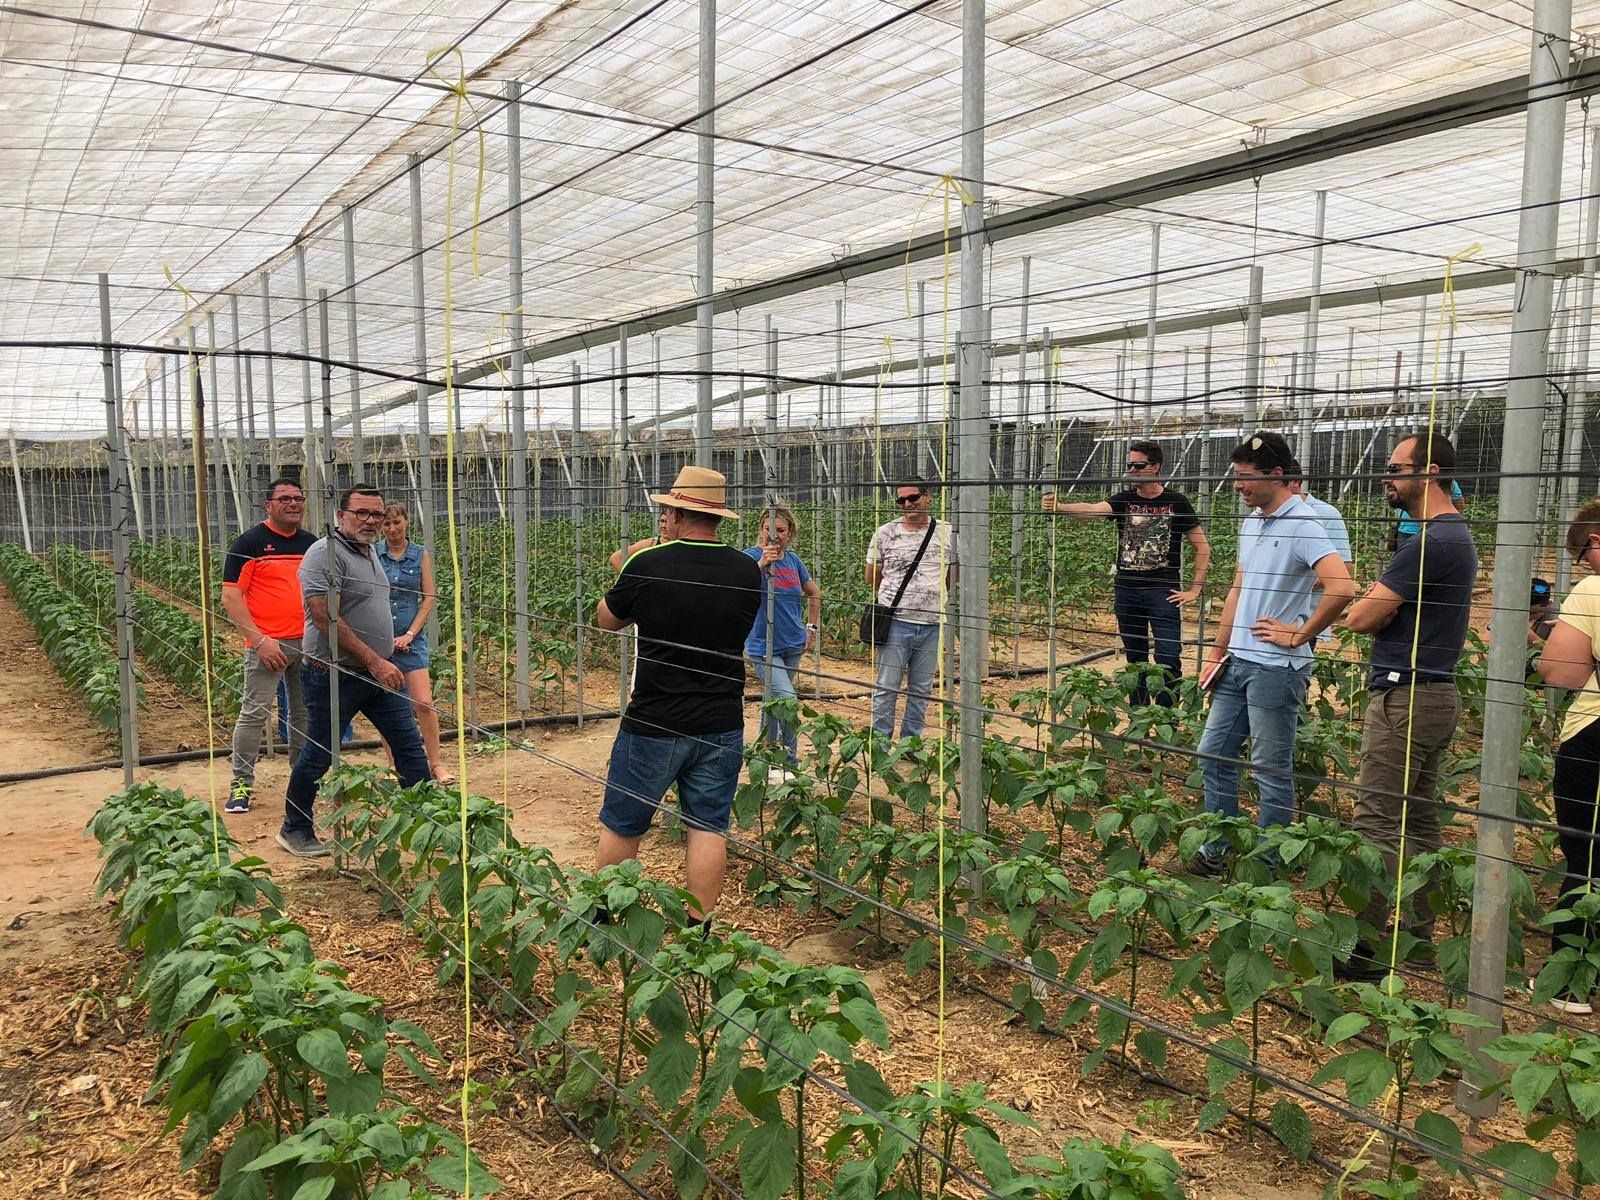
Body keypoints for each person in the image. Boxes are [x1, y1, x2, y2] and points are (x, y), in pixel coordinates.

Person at [1339, 432, 1478, 981]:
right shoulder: (1452, 534)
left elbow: (1359, 617)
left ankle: (1364, 949)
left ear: (1429, 472)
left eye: (1396, 468)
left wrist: (1378, 604)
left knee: (1375, 821)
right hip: (1433, 693)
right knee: (1418, 820)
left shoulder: (1431, 543)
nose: (1387, 477)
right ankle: (1419, 939)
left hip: (1407, 695)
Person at [594, 466, 761, 920]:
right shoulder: (747, 571)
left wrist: (641, 564)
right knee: (708, 827)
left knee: (624, 821)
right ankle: (697, 929)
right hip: (722, 721)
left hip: (655, 719)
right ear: (718, 516)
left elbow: (606, 620)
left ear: (678, 513)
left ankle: (605, 917)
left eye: (668, 510)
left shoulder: (649, 564)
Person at [1191, 433, 1356, 875]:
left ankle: (1268, 861)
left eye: (1246, 477)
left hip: (1276, 669)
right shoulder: (1252, 523)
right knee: (1213, 753)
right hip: (1237, 662)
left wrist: (1300, 634)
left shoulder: (1304, 525)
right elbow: (1238, 589)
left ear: (1277, 475)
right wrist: (1218, 650)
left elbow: (1343, 587)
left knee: (1270, 767)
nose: (1238, 486)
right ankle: (1218, 848)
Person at [279, 485, 433, 858]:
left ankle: (430, 824)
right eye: (361, 513)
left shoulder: (369, 552)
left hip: (377, 674)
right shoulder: (325, 554)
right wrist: (375, 661)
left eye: (376, 514)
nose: (370, 521)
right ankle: (294, 828)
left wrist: (381, 661)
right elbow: (326, 618)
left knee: (409, 747)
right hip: (335, 673)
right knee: (320, 753)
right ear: (341, 515)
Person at [1043, 439, 1209, 706]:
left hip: (1163, 591)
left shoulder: (1176, 502)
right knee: (1135, 658)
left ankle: (1167, 717)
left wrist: (1194, 590)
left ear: (1155, 467)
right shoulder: (1124, 500)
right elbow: (1092, 511)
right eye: (1129, 465)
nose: (1131, 470)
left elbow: (1202, 548)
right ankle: (1139, 716)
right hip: (1127, 590)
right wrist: (1060, 507)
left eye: (1138, 465)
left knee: (1168, 656)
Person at [1531, 498, 1600, 1015]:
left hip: (1594, 734)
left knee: (1587, 854)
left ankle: (1573, 980)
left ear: (1595, 542)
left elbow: (1562, 671)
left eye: (1581, 556)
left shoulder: (1594, 589)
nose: (1584, 566)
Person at [221, 478, 318, 814]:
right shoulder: (249, 543)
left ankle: (303, 782)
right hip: (267, 645)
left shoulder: (311, 545)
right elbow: (231, 597)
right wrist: (260, 641)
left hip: (307, 643)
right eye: (285, 498)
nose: (293, 504)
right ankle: (241, 784)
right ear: (269, 505)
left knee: (304, 713)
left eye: (298, 498)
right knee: (254, 713)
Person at [866, 479, 959, 739]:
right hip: (896, 622)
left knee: (921, 689)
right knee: (887, 687)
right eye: (901, 500)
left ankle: (911, 743)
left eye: (913, 498)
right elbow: (872, 577)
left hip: (932, 624)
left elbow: (952, 575)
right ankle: (880, 744)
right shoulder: (885, 533)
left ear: (928, 496)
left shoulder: (947, 532)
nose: (907, 504)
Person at [744, 503, 822, 778]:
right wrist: (762, 564)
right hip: (762, 646)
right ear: (761, 529)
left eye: (780, 530)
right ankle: (789, 762)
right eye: (769, 529)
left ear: (789, 533)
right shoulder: (750, 557)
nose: (774, 536)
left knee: (774, 702)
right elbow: (739, 587)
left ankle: (766, 760)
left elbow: (814, 593)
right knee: (788, 701)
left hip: (792, 644)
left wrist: (811, 628)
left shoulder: (793, 561)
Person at [378, 502, 448, 783]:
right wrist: (385, 638)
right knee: (390, 707)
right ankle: (394, 765)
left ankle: (436, 764)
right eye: (387, 524)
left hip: (412, 640)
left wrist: (410, 634)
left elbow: (429, 597)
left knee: (424, 703)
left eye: (397, 522)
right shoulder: (374, 554)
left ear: (406, 522)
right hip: (382, 640)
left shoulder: (420, 554)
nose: (392, 529)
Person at [1393, 479, 1462, 549]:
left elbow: (1458, 501)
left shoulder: (1444, 481)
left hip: (1433, 532)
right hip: (1406, 530)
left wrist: (1451, 525)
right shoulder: (1404, 482)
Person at [1529, 578, 1556, 646]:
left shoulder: (1554, 616)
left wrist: (1534, 640)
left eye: (1533, 613)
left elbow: (1557, 648)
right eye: (1527, 612)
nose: (1529, 616)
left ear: (1548, 604)